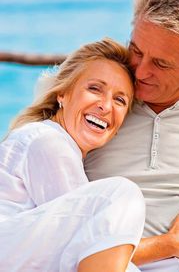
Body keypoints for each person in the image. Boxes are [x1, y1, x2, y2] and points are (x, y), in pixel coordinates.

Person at [84, 0, 179, 271]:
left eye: (161, 64)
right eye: (136, 51)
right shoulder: (95, 98)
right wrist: (165, 245)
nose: (140, 72)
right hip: (119, 265)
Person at [0, 38, 146, 272]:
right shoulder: (48, 141)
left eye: (119, 100)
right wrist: (169, 245)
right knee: (119, 194)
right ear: (63, 94)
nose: (106, 106)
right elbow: (88, 238)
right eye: (94, 88)